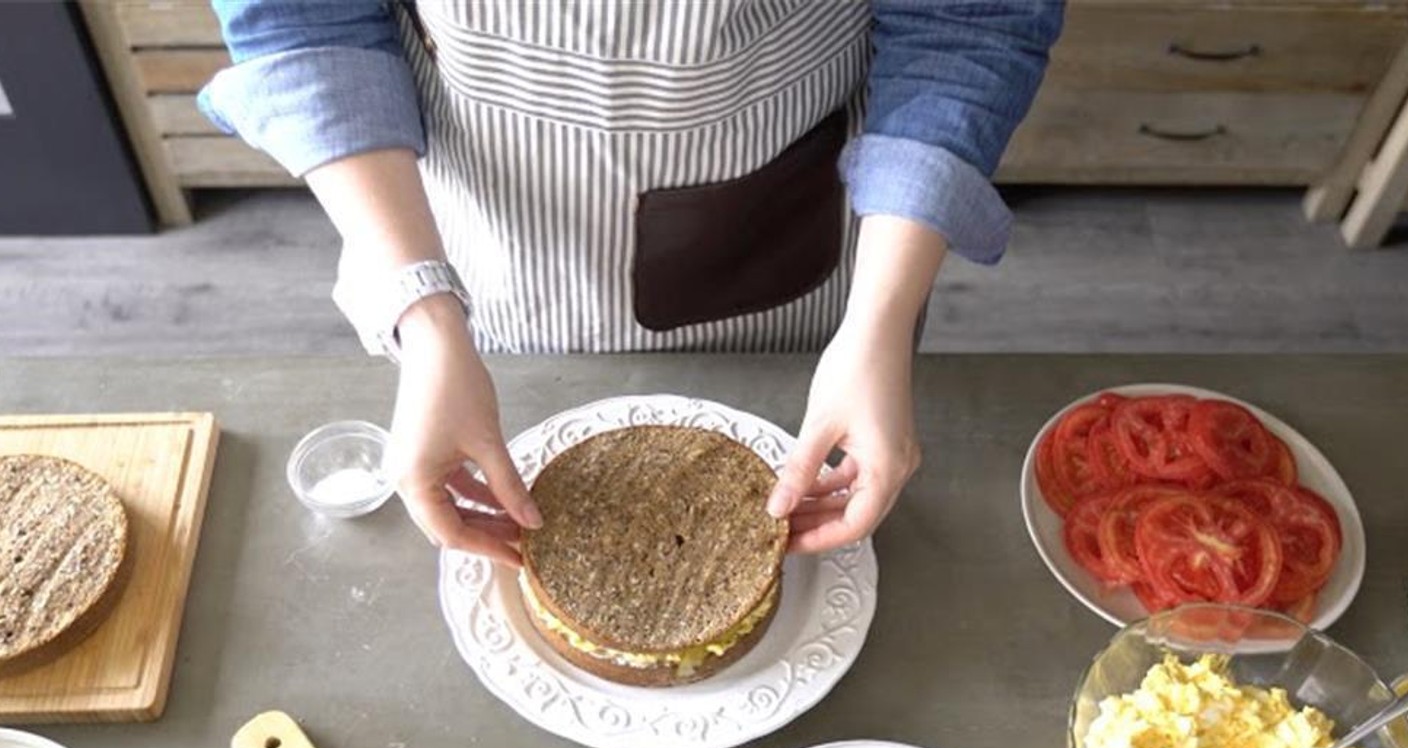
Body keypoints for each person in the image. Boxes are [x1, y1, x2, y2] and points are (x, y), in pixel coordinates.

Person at [201, 1, 1064, 565]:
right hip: (473, 251)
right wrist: (425, 318)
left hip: (794, 253)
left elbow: (969, 21)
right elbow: (302, 16)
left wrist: (877, 325)